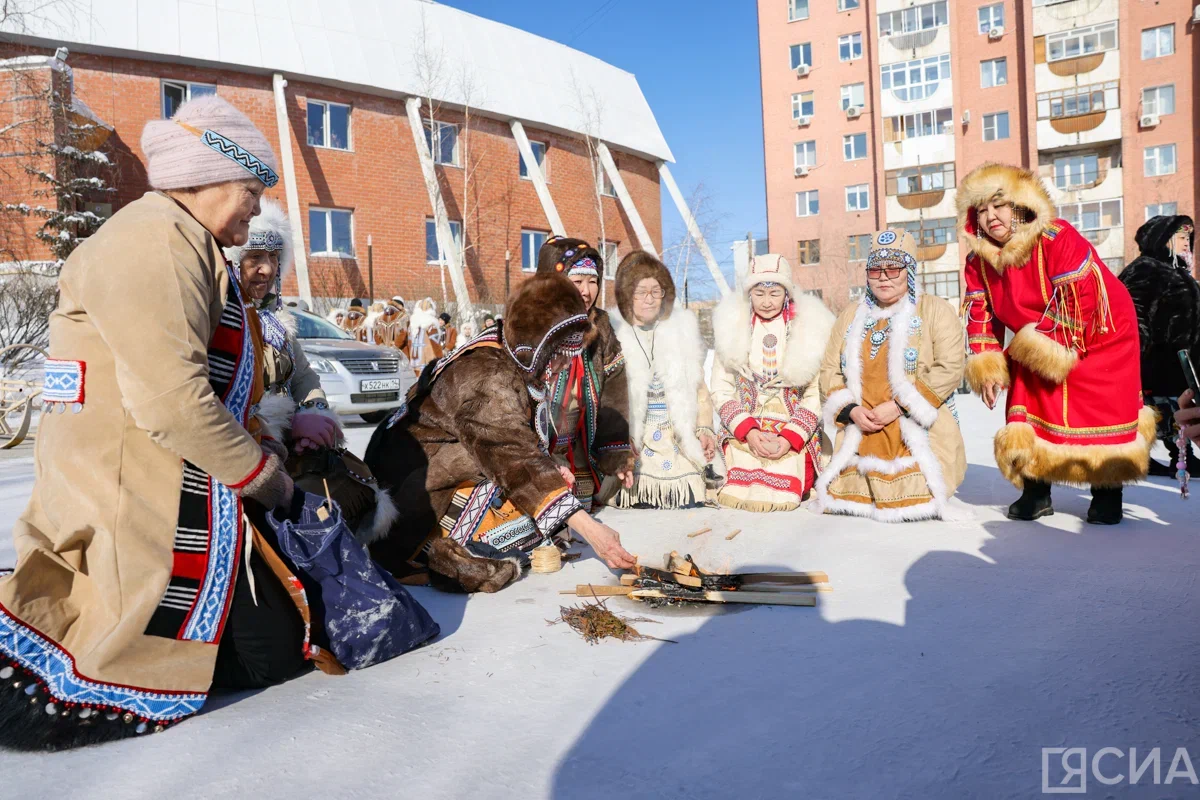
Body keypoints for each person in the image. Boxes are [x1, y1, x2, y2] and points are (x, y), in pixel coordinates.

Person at [0, 95, 303, 751]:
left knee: (269, 641)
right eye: (251, 189)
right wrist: (264, 478)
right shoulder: (157, 243)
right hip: (129, 481)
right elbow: (172, 402)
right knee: (264, 653)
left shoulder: (177, 237)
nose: (256, 208)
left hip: (146, 472)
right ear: (207, 176)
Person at [364, 274, 638, 593]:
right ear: (538, 345)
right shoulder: (488, 376)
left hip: (421, 477)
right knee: (523, 501)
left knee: (539, 506)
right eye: (561, 354)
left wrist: (548, 465)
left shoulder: (504, 351)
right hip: (406, 507)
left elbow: (514, 436)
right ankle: (432, 553)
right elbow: (514, 458)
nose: (565, 365)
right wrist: (592, 532)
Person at [959, 163, 1153, 525]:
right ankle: (1035, 489)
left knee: (1102, 406)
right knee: (1026, 395)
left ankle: (1107, 489)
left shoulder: (1055, 236)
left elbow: (1081, 297)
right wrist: (986, 365)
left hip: (1102, 332)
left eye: (998, 205)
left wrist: (1036, 345)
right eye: (980, 211)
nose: (990, 217)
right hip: (1040, 332)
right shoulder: (978, 262)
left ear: (1019, 205)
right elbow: (981, 315)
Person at [816, 230, 966, 521]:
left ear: (908, 271)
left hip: (914, 427)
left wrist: (900, 407)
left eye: (893, 268)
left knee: (918, 496)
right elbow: (828, 368)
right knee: (844, 498)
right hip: (861, 427)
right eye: (875, 269)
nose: (883, 277)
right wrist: (851, 410)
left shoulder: (935, 311)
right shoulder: (850, 315)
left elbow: (950, 367)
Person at [710, 253, 834, 511]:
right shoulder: (730, 330)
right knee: (736, 469)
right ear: (749, 294)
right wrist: (750, 432)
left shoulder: (810, 330)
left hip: (793, 426)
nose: (766, 302)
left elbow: (815, 393)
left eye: (774, 293)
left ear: (787, 293)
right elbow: (721, 389)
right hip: (746, 425)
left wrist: (789, 438)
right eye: (759, 293)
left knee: (787, 468)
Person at [608, 251, 714, 509]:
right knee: (632, 494)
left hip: (675, 434)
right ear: (626, 294)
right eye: (641, 291)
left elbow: (699, 389)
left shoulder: (681, 330)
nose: (649, 299)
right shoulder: (615, 331)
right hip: (636, 438)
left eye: (656, 291)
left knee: (693, 491)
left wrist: (704, 428)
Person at [535, 236, 632, 510]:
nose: (587, 291)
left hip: (582, 442)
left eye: (593, 281)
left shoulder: (600, 325)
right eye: (577, 282)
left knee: (588, 501)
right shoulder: (532, 326)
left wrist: (615, 450)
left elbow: (614, 389)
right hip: (540, 443)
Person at [1117, 215, 1200, 477]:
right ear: (1162, 239)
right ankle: (1144, 455)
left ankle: (1181, 455)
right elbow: (1133, 312)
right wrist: (1136, 354)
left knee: (1178, 405)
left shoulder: (1177, 270)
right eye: (1181, 237)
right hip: (1155, 359)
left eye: (1189, 238)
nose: (1186, 243)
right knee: (1158, 408)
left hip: (1182, 359)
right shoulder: (1146, 268)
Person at [408, 297, 443, 371]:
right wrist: (440, 358)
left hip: (414, 357)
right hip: (427, 357)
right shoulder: (431, 322)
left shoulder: (412, 322)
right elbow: (435, 344)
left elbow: (409, 341)